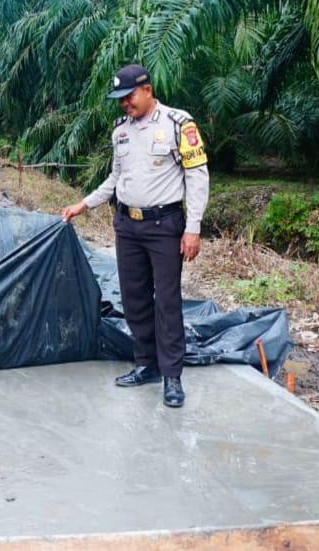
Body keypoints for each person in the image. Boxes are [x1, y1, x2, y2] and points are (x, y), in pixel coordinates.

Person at [61, 64, 209, 408]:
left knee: (168, 302)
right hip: (127, 226)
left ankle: (172, 376)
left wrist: (193, 228)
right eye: (119, 100)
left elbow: (197, 176)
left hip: (164, 226)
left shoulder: (178, 123)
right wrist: (83, 204)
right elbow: (114, 179)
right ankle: (146, 364)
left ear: (147, 89)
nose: (124, 104)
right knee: (133, 298)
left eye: (128, 97)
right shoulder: (120, 131)